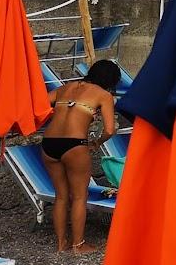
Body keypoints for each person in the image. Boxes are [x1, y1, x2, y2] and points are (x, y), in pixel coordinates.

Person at [39, 60, 119, 254]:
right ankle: (78, 245)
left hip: (49, 144)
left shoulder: (64, 87)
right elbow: (110, 129)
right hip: (74, 145)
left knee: (60, 196)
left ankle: (60, 244)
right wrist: (97, 143)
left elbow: (39, 103)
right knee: (79, 197)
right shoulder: (104, 95)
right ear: (110, 80)